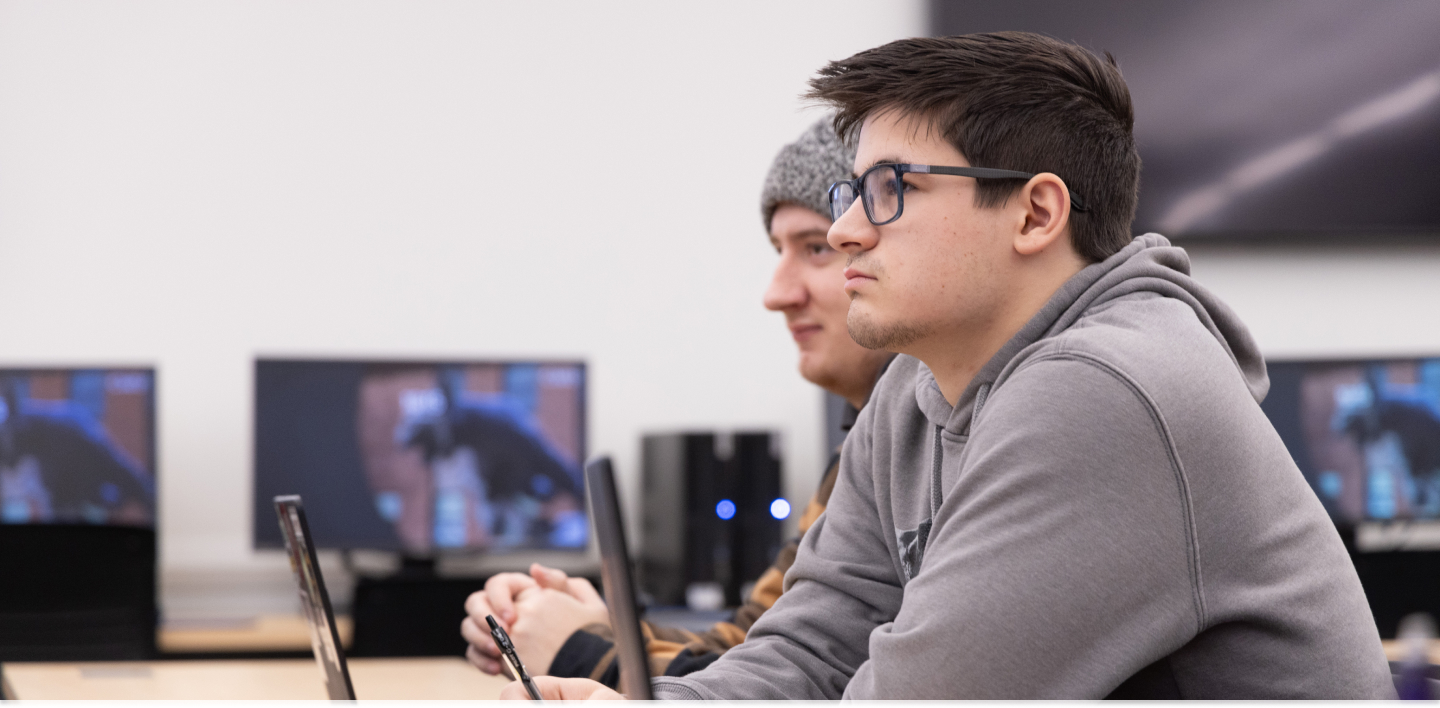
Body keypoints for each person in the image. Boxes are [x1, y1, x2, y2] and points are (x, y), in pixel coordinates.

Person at [503, 32, 1396, 699]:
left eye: (889, 190)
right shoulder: (913, 388)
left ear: (1035, 214)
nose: (846, 229)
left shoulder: (1108, 393)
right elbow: (809, 654)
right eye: (852, 193)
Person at [460, 118, 892, 685]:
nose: (775, 294)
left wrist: (577, 651)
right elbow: (754, 647)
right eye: (779, 250)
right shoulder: (865, 445)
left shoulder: (923, 450)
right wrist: (602, 629)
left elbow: (794, 684)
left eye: (815, 247)